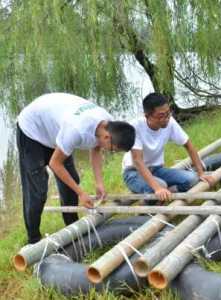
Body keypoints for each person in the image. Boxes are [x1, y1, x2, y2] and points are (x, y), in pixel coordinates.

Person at [17, 93, 135, 244]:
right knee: (37, 190)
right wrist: (81, 193)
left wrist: (99, 183)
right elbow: (55, 164)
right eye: (113, 149)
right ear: (107, 137)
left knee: (71, 182)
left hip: (55, 129)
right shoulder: (77, 130)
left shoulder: (110, 125)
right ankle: (33, 240)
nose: (110, 151)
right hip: (32, 130)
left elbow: (96, 149)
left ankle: (72, 229)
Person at [122, 93, 215, 202]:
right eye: (161, 116)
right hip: (134, 172)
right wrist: (157, 188)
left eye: (168, 113)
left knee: (192, 179)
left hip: (156, 169)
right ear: (147, 116)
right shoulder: (135, 127)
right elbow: (137, 161)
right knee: (160, 185)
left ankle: (166, 193)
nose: (166, 118)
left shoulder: (169, 122)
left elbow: (188, 145)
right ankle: (151, 202)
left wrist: (201, 173)